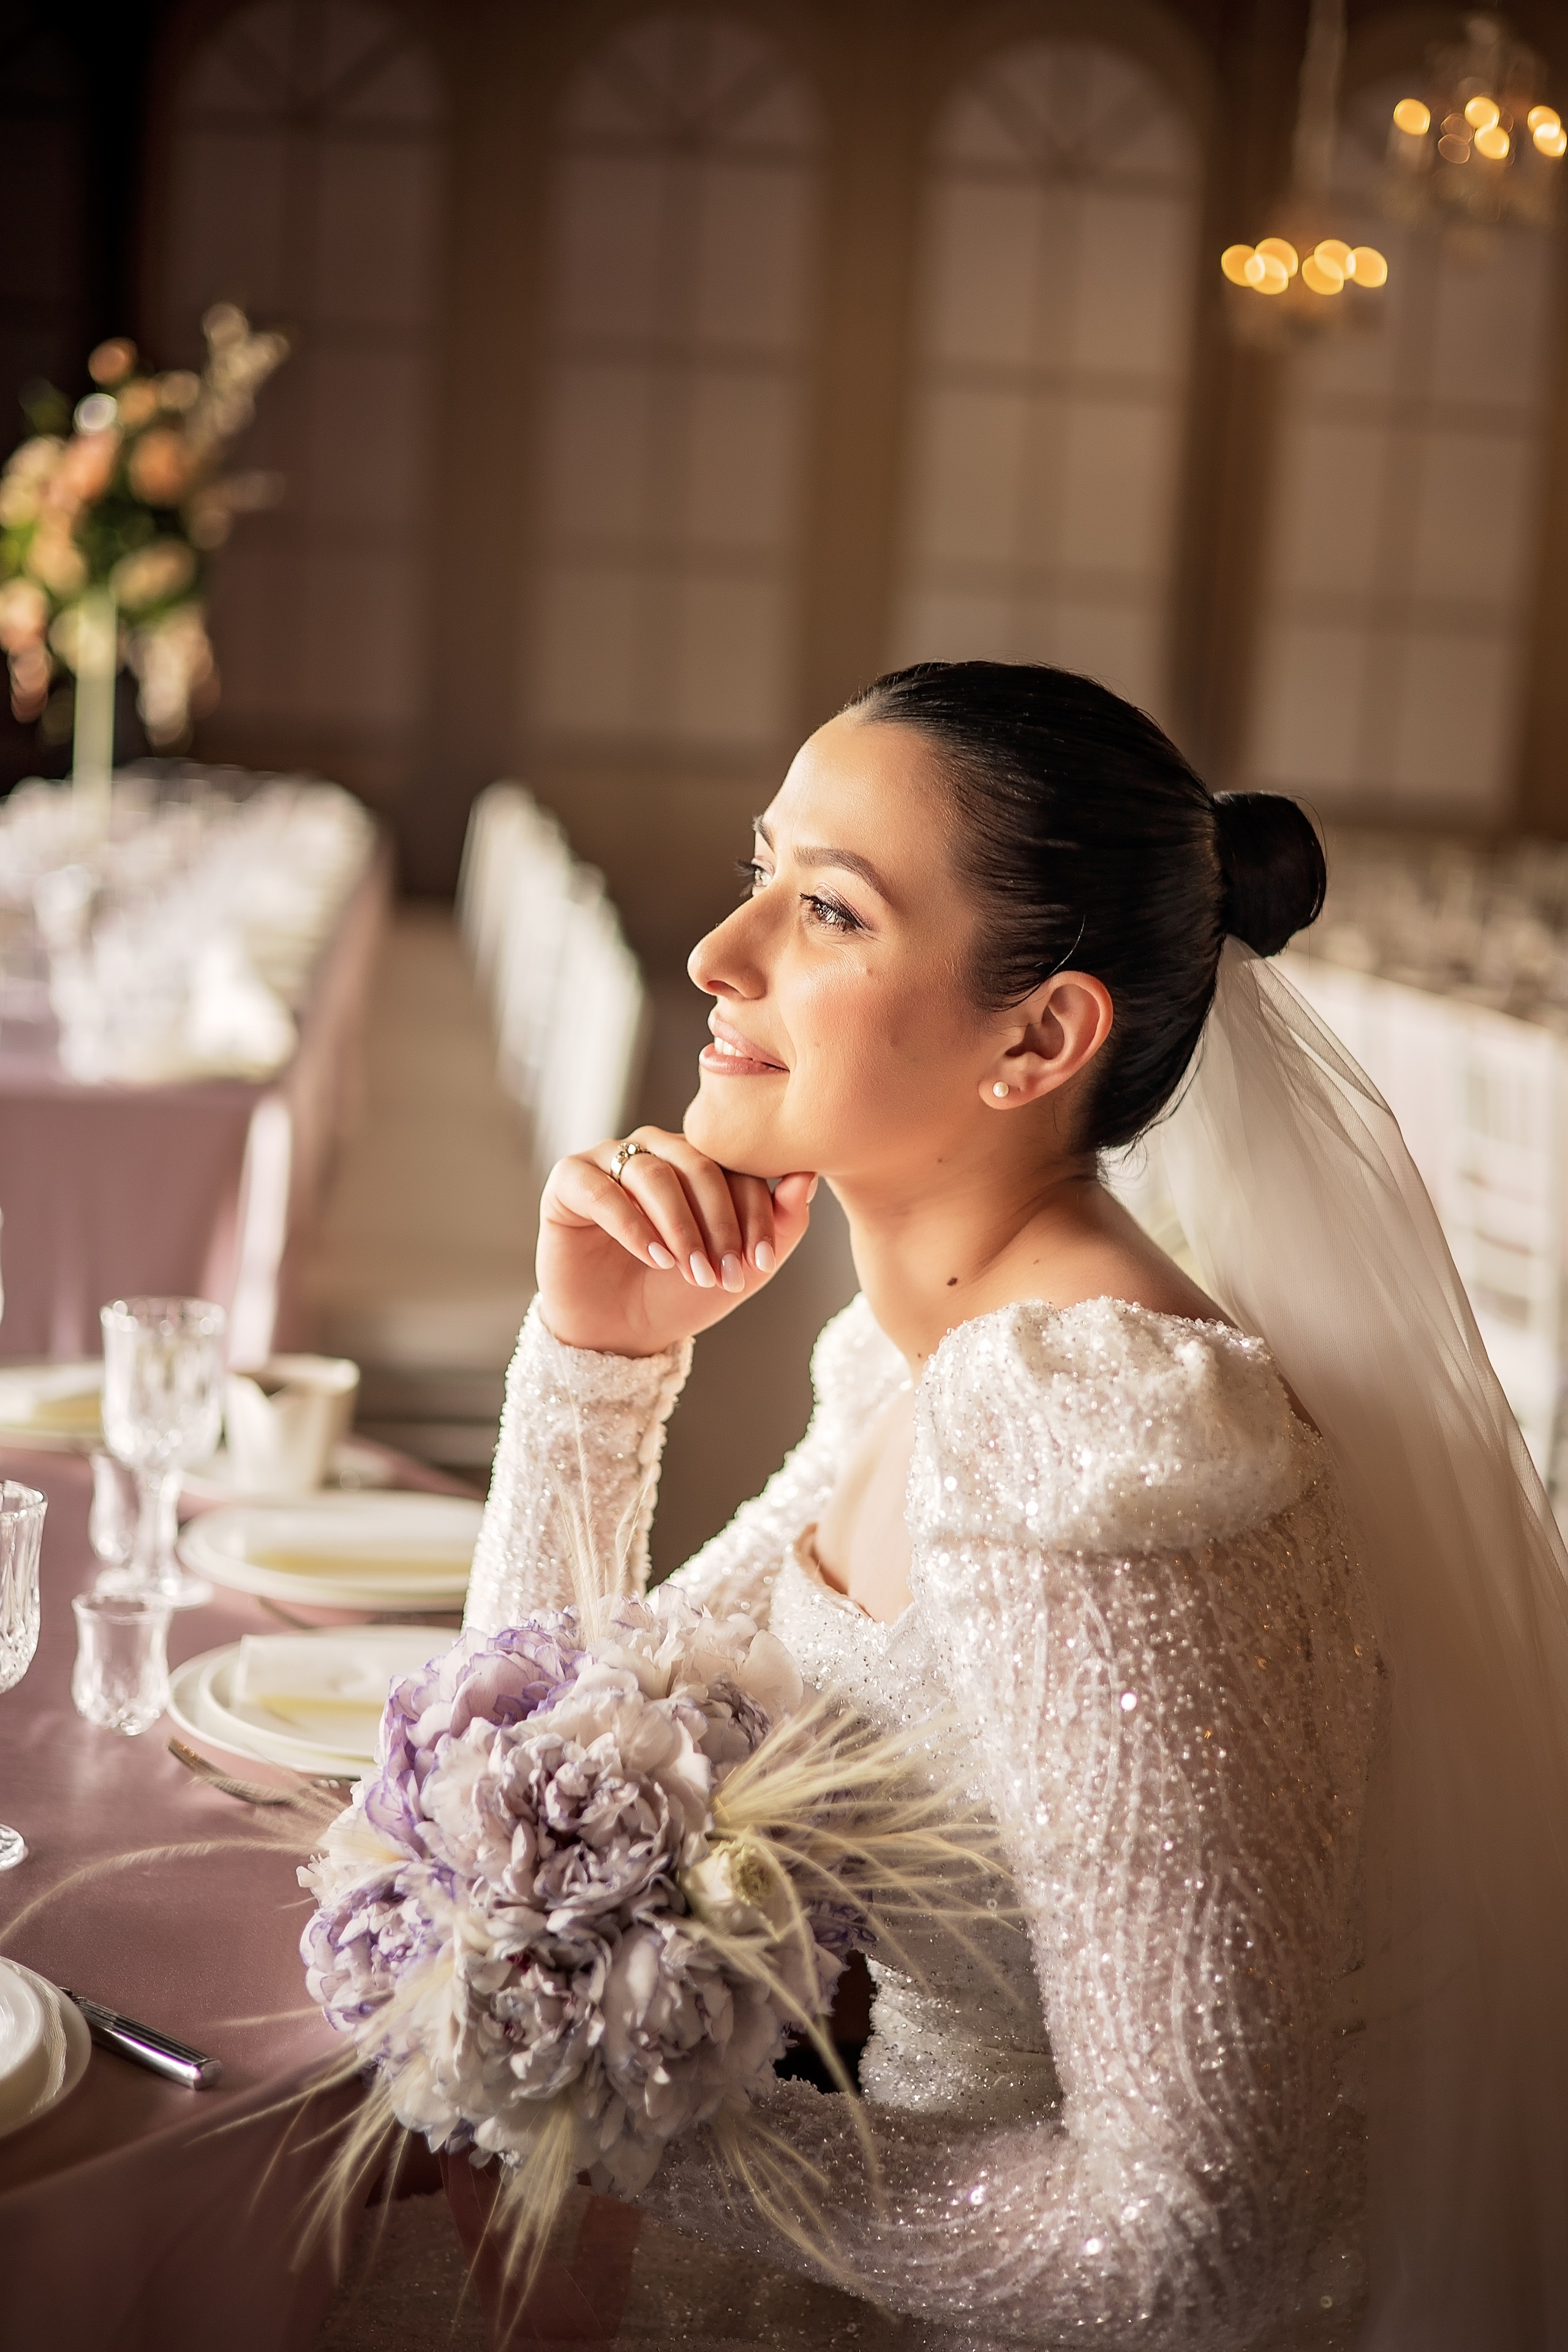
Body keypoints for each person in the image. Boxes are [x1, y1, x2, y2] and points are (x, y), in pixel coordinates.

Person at [464, 662, 1568, 2350]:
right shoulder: (929, 1362)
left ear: (1040, 1037)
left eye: (828, 911)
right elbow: (520, 1781)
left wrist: (635, 2128)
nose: (718, 954)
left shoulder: (1095, 1449)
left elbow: (1192, 2239)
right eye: (766, 867)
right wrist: (594, 1366)